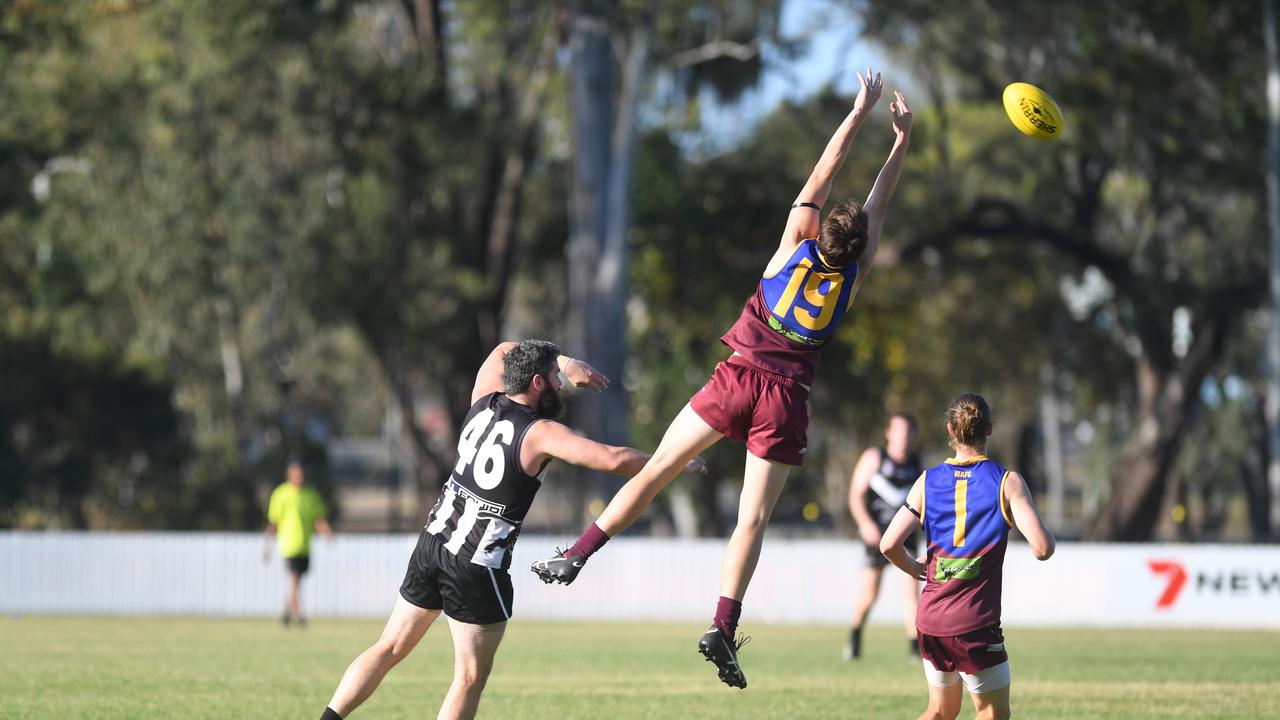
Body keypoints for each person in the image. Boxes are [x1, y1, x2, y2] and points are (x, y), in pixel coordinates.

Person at [532, 69, 913, 689]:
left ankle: (578, 554)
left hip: (735, 378)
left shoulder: (794, 241)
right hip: (785, 402)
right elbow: (879, 203)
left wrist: (861, 112)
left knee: (655, 470)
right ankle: (722, 626)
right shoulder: (853, 277)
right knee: (751, 522)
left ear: (819, 229)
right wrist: (900, 144)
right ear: (859, 247)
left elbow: (826, 171)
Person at [317, 340, 703, 720]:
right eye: (554, 376)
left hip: (433, 543)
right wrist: (672, 461)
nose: (559, 383)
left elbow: (504, 348)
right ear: (537, 382)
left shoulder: (482, 398)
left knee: (389, 646)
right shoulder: (540, 433)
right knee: (468, 677)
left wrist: (566, 364)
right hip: (476, 563)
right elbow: (614, 459)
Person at [879, 393, 1056, 720]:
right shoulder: (1007, 482)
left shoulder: (927, 481)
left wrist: (916, 568)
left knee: (940, 711)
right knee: (992, 714)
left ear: (950, 430)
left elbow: (888, 544)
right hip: (973, 624)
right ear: (988, 429)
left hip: (931, 619)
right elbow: (1043, 549)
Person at [846, 412, 923, 661]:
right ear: (888, 433)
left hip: (905, 537)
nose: (903, 436)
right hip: (876, 536)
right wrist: (865, 524)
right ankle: (854, 638)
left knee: (912, 590)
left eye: (908, 431)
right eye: (898, 430)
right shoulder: (874, 458)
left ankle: (915, 648)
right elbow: (855, 496)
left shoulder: (916, 463)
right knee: (870, 593)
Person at [264, 460, 333, 627]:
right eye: (295, 474)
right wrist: (268, 546)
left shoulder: (310, 494)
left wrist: (327, 533)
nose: (298, 478)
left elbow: (318, 518)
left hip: (305, 545)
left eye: (300, 474)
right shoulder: (281, 494)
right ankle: (298, 613)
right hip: (289, 544)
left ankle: (286, 613)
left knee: (297, 580)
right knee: (294, 578)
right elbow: (273, 521)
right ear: (288, 475)